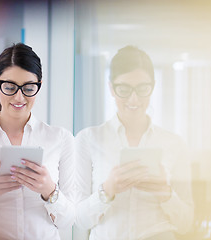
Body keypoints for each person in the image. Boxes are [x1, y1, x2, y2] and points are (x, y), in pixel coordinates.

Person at [75, 46, 194, 240]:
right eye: (124, 89)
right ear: (111, 88)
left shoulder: (174, 144)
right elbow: (80, 219)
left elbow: (186, 223)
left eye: (142, 89)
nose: (134, 98)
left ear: (153, 87)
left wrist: (165, 192)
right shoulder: (88, 140)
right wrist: (108, 190)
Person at [0, 43, 74, 240]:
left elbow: (68, 221)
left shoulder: (61, 139)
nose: (19, 97)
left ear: (39, 86)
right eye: (9, 87)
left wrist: (49, 191)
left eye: (28, 87)